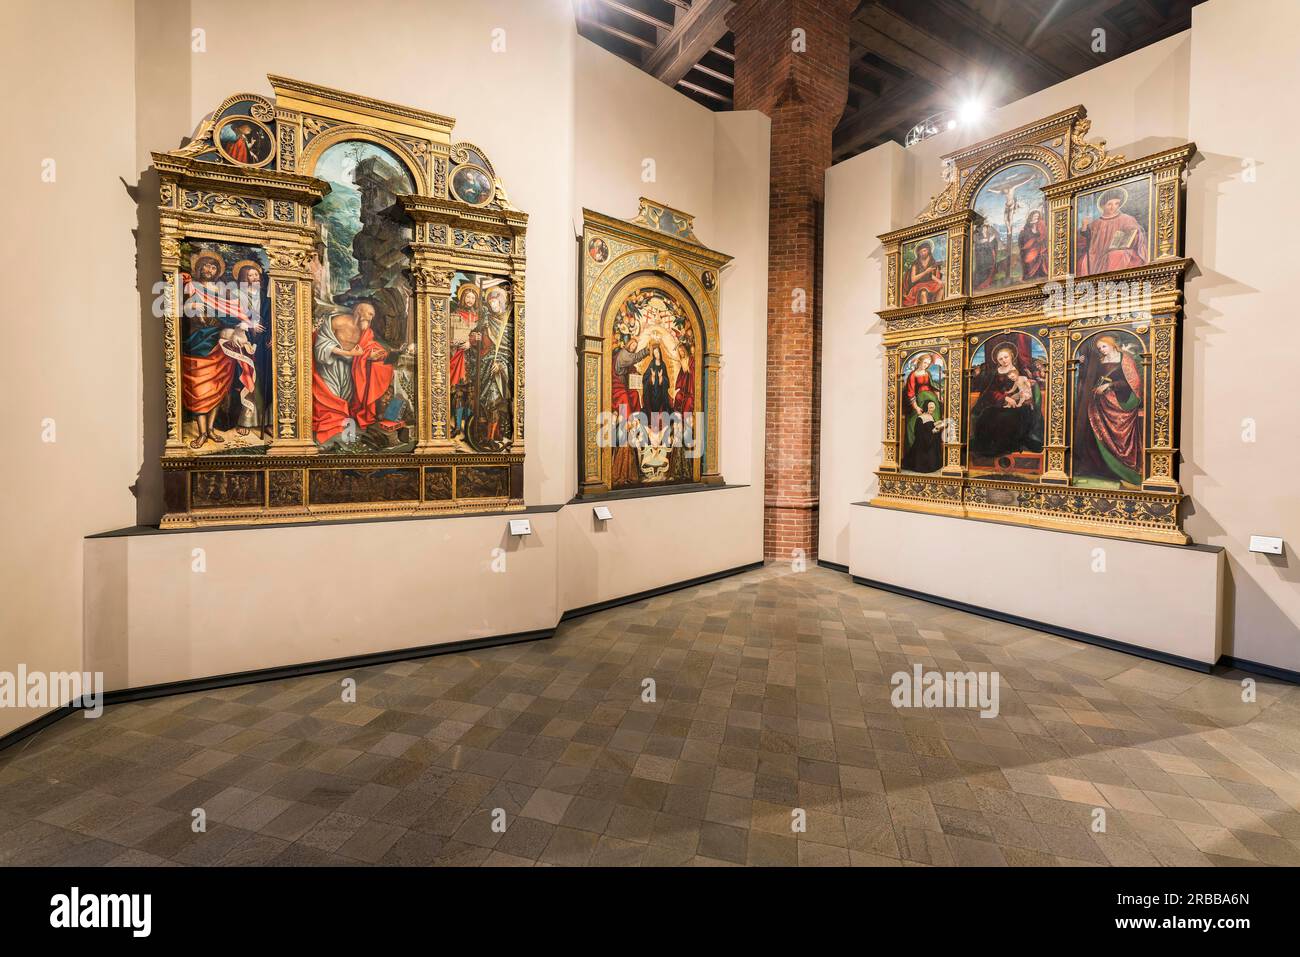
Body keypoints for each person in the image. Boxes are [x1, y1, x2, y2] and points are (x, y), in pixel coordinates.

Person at [180, 252, 255, 449]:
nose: (209, 270)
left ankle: (210, 429)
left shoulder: (224, 291)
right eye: (206, 266)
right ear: (199, 267)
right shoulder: (190, 286)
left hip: (220, 343)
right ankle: (201, 432)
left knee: (217, 386)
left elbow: (234, 311)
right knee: (199, 388)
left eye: (213, 267)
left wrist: (236, 324)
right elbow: (183, 310)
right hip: (198, 341)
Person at [1073, 335, 1143, 485]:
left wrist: (1110, 386)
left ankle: (1121, 470)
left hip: (1118, 403)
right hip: (1098, 404)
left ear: (1112, 345)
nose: (1102, 350)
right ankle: (1101, 469)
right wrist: (1082, 364)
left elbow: (1133, 383)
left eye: (1104, 346)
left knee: (1115, 436)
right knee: (1093, 434)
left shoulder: (1125, 360)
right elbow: (1089, 378)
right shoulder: (1098, 362)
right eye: (1099, 348)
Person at [970, 343, 1043, 459]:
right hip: (998, 403)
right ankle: (990, 448)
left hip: (1020, 404)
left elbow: (1027, 387)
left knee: (1008, 418)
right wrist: (1005, 398)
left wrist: (1021, 395)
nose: (1004, 360)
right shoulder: (994, 373)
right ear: (997, 361)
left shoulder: (1020, 370)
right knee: (987, 415)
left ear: (1011, 356)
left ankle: (1005, 446)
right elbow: (990, 390)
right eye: (1000, 359)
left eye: (1006, 357)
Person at [1076, 187, 1147, 276]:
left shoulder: (1126, 219)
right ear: (1103, 206)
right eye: (1109, 204)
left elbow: (1137, 235)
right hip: (1097, 254)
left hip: (1120, 251)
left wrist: (1132, 234)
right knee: (1083, 261)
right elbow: (1087, 238)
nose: (1113, 207)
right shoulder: (1096, 223)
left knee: (1115, 255)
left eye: (1116, 203)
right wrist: (1084, 226)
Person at [901, 400, 948, 474]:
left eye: (933, 408)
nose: (933, 410)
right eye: (931, 408)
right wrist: (934, 430)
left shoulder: (930, 416)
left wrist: (937, 423)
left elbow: (930, 426)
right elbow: (919, 433)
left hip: (931, 441)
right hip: (923, 445)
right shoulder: (920, 419)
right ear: (926, 407)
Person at [642, 345, 672, 430]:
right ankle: (653, 424)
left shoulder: (663, 365)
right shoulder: (651, 363)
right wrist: (653, 377)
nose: (656, 355)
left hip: (661, 390)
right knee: (652, 399)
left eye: (657, 352)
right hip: (651, 390)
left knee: (661, 399)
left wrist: (661, 378)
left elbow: (667, 381)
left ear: (660, 352)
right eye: (654, 353)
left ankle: (660, 425)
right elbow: (645, 378)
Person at [1019, 209, 1047, 281]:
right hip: (1028, 248)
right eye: (1035, 216)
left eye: (1037, 217)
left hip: (1038, 247)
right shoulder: (1027, 227)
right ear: (1031, 217)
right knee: (1028, 259)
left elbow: (1042, 235)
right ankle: (1029, 275)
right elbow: (1024, 237)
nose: (1036, 218)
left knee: (1039, 257)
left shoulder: (1040, 225)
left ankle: (1039, 274)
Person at [972, 223, 1001, 290]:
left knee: (991, 267)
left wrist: (992, 240)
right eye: (984, 228)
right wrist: (986, 241)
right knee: (984, 270)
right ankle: (981, 285)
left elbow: (993, 244)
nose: (985, 229)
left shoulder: (989, 235)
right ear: (981, 229)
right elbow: (978, 245)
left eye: (986, 228)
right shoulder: (978, 236)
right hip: (983, 257)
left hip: (990, 255)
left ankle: (988, 283)